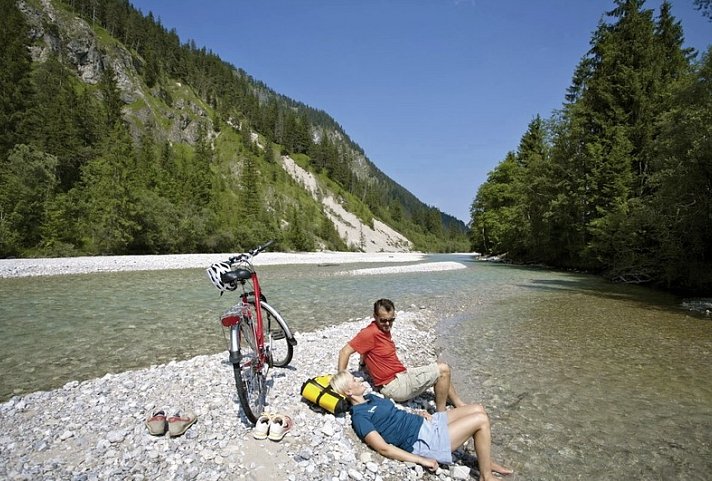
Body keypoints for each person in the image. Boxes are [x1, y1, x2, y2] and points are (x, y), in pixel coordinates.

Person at [329, 371, 512, 480]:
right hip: (423, 441)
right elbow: (384, 448)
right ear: (348, 391)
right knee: (481, 421)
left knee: (478, 409)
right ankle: (485, 476)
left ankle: (485, 462)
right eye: (354, 380)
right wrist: (420, 460)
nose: (359, 380)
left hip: (425, 424)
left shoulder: (371, 398)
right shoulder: (360, 418)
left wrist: (420, 414)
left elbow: (397, 415)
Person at [337, 298, 465, 412]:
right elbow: (344, 352)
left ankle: (456, 403)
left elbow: (366, 349)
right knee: (444, 370)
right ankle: (442, 415)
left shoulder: (381, 330)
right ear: (375, 317)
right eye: (383, 320)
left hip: (400, 376)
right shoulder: (369, 333)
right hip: (394, 386)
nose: (388, 324)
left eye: (391, 320)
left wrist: (362, 365)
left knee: (440, 368)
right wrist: (342, 381)